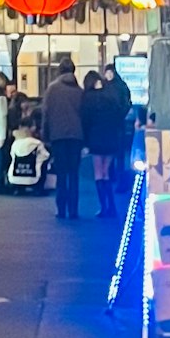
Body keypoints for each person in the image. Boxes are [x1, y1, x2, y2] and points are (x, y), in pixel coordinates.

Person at [83, 64, 133, 219]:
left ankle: (104, 207)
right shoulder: (110, 97)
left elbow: (85, 121)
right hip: (111, 138)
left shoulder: (88, 98)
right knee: (106, 173)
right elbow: (121, 111)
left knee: (99, 173)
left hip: (96, 139)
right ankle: (111, 206)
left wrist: (85, 141)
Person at [41, 59, 86, 219]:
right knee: (73, 173)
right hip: (76, 136)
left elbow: (46, 113)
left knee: (61, 173)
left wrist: (45, 135)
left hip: (58, 136)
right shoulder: (80, 91)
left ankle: (61, 209)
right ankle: (73, 210)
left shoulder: (52, 90)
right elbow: (85, 115)